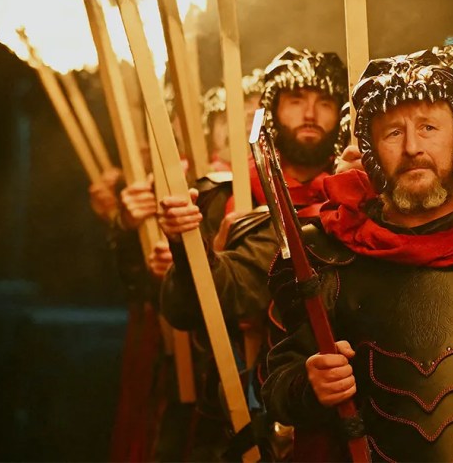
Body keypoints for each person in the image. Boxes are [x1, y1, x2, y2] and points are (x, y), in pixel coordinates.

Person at [262, 51, 453, 462]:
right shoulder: (325, 253)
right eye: (391, 134)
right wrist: (308, 383)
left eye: (429, 127)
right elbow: (277, 383)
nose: (412, 148)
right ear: (369, 150)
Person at [146, 47, 347, 460]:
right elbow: (187, 309)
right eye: (296, 101)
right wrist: (189, 248)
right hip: (235, 401)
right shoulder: (223, 194)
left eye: (324, 103)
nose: (310, 113)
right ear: (272, 111)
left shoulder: (358, 193)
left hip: (340, 407)